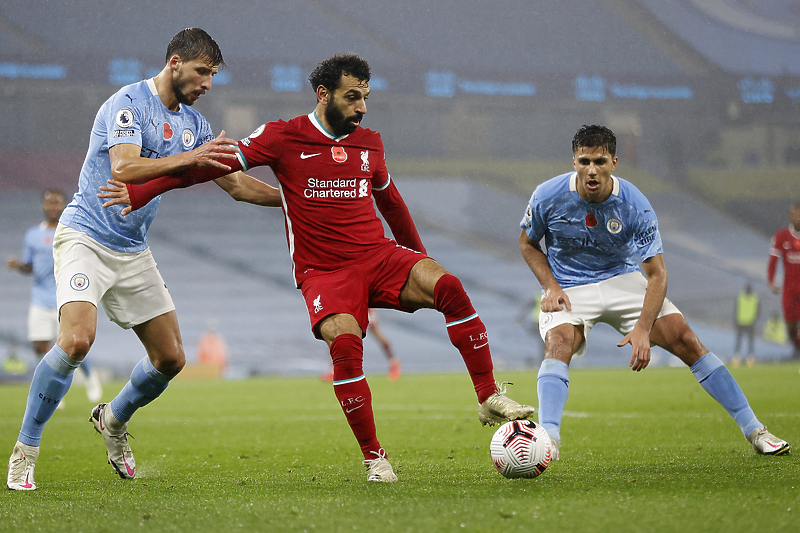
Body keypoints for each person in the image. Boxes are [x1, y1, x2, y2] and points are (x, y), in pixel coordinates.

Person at [112, 53, 534, 482]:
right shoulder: (282, 136)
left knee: (451, 287)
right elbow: (211, 166)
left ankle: (487, 395)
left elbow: (392, 204)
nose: (362, 107)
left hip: (378, 256)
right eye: (353, 97)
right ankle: (375, 458)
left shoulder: (370, 141)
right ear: (324, 94)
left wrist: (419, 258)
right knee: (347, 347)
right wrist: (145, 192)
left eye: (365, 97)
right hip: (324, 272)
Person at [6, 28, 280, 491]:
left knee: (171, 358)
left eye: (212, 75)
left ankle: (112, 418)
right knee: (75, 342)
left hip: (132, 249)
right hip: (85, 237)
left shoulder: (192, 124)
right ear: (175, 62)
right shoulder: (128, 104)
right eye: (202, 72)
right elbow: (125, 168)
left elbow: (234, 184)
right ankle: (25, 450)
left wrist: (296, 201)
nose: (208, 83)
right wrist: (191, 157)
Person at [518, 124, 790, 461]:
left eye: (600, 161)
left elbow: (657, 273)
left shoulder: (635, 205)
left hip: (621, 280)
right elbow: (528, 243)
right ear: (574, 161)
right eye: (585, 160)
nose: (592, 169)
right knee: (558, 342)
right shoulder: (547, 195)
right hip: (569, 286)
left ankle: (756, 430)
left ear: (614, 163)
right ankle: (549, 442)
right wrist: (550, 286)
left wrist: (644, 329)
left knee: (686, 339)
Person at [7, 189, 103, 406]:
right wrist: (18, 266)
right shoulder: (33, 235)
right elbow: (29, 266)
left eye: (57, 202)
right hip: (40, 298)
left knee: (75, 343)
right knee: (40, 346)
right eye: (49, 202)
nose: (52, 206)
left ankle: (89, 376)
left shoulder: (73, 230)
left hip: (67, 296)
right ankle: (50, 388)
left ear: (64, 205)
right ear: (43, 206)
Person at [321, 308, 401, 382]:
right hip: (349, 306)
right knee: (338, 334)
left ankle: (393, 361)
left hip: (364, 306)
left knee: (376, 332)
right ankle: (333, 369)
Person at [767, 203, 800, 358]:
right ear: (790, 216)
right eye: (795, 214)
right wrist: (771, 281)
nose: (798, 217)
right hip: (789, 290)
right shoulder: (781, 236)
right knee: (791, 328)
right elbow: (772, 262)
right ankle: (797, 348)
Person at [732, 283, 759, 365]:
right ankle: (740, 357)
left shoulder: (742, 296)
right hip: (744, 321)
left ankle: (744, 357)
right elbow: (758, 310)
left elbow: (736, 308)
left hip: (746, 322)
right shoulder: (753, 297)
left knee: (746, 341)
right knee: (743, 341)